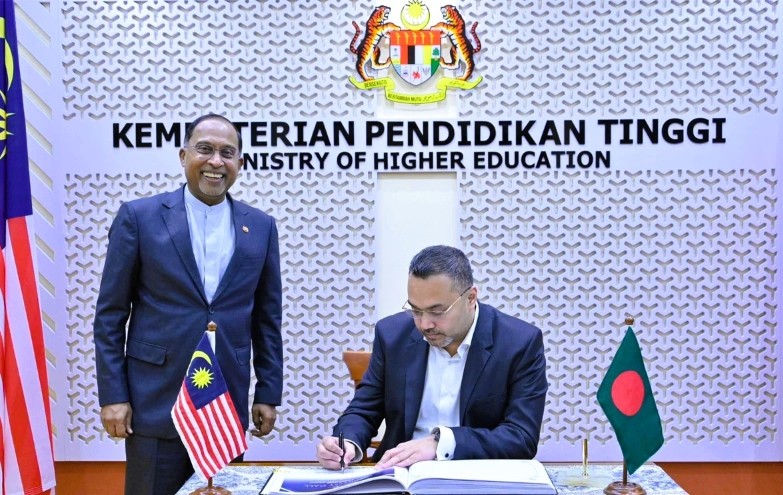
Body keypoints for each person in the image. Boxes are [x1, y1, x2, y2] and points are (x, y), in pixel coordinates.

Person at [93, 113, 283, 495]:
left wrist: (267, 392)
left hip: (224, 407)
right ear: (183, 156)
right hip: (154, 404)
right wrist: (113, 396)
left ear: (240, 162)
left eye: (227, 153)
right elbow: (110, 315)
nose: (216, 161)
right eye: (205, 149)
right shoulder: (139, 217)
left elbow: (267, 319)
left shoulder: (261, 226)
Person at [316, 245, 548, 469]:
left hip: (475, 475)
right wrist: (346, 443)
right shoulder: (392, 335)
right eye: (416, 310)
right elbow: (364, 409)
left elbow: (521, 437)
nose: (425, 324)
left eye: (437, 311)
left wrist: (441, 443)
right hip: (400, 476)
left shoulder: (519, 343)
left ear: (471, 298)